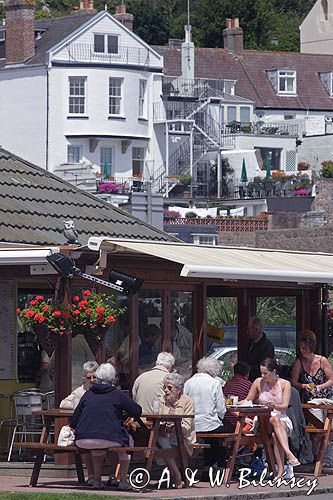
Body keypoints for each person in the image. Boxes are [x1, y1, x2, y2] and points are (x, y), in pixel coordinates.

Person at [70, 363, 142, 490]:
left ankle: (97, 480)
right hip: (109, 437)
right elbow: (137, 410)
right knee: (127, 443)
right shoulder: (116, 394)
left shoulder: (88, 394)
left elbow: (74, 419)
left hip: (83, 439)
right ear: (113, 379)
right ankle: (123, 481)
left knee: (97, 448)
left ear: (97, 378)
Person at [244, 357, 299, 478]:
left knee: (275, 434)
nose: (263, 376)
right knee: (273, 420)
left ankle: (279, 472)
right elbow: (248, 400)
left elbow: (284, 406)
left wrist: (274, 405)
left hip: (280, 417)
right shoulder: (258, 382)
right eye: (261, 373)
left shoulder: (285, 384)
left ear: (274, 372)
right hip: (264, 420)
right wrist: (235, 402)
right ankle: (288, 453)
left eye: (265, 373)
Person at [184, 357, 226, 468]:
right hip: (209, 423)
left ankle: (209, 465)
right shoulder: (214, 383)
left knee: (214, 435)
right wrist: (220, 417)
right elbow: (221, 409)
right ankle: (218, 465)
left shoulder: (189, 382)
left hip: (191, 424)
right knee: (222, 433)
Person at [157, 372, 196, 489]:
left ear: (178, 389)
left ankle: (176, 474)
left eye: (169, 388)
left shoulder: (188, 402)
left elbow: (186, 426)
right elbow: (157, 420)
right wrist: (163, 427)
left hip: (183, 439)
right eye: (164, 387)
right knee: (158, 437)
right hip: (165, 437)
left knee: (159, 440)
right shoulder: (161, 401)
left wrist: (172, 426)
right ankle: (177, 473)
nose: (166, 390)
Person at [290, 329, 333, 402]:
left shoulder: (322, 360)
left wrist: (320, 387)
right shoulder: (299, 363)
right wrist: (304, 386)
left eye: (304, 348)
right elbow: (293, 382)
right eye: (300, 348)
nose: (301, 350)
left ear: (311, 347)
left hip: (327, 399)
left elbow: (331, 380)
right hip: (310, 400)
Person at [223, 361, 252, 430]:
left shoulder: (228, 383)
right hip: (238, 419)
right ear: (247, 373)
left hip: (225, 420)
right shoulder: (248, 384)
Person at [246, 316, 274, 381]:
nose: (247, 332)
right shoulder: (249, 342)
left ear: (256, 330)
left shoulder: (267, 346)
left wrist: (247, 368)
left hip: (260, 381)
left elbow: (266, 366)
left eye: (249, 329)